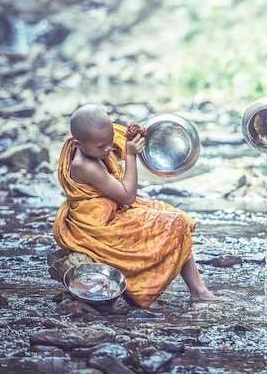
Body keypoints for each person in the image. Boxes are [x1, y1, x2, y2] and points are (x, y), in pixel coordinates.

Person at [52, 104, 217, 309]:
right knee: (171, 224)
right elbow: (128, 196)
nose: (107, 148)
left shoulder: (97, 141)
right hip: (100, 225)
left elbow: (129, 140)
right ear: (78, 143)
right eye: (100, 146)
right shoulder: (84, 165)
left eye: (109, 141)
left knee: (175, 216)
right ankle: (145, 294)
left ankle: (198, 291)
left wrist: (141, 134)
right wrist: (130, 156)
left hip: (114, 208)